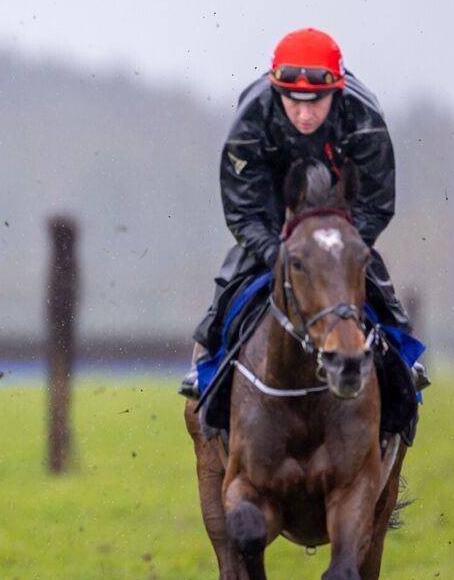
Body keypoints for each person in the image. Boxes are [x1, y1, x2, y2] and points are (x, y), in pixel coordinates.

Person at [179, 27, 429, 399]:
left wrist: (338, 248)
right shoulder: (250, 123)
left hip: (340, 213)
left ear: (336, 92)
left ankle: (404, 360)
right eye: (293, 101)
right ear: (277, 91)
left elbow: (376, 202)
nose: (304, 112)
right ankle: (207, 365)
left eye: (315, 102)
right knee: (234, 280)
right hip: (273, 211)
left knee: (367, 276)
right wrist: (276, 252)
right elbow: (243, 210)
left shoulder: (365, 120)